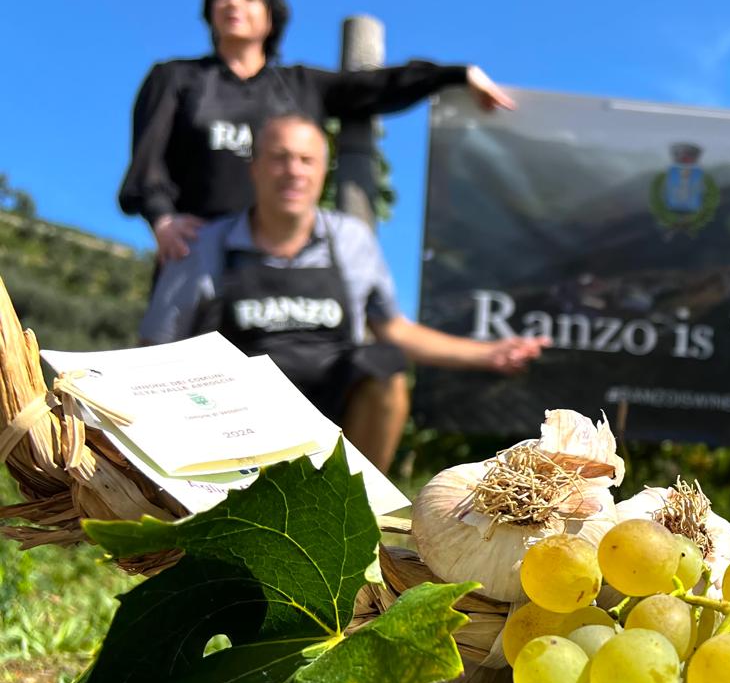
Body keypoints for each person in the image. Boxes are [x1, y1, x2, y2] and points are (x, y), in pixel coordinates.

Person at [141, 113, 547, 472]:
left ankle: (359, 508)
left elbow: (396, 331)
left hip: (332, 409)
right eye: (280, 158)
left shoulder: (352, 240)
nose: (293, 171)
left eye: (306, 160)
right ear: (256, 169)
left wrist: (490, 354)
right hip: (236, 412)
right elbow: (156, 350)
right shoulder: (201, 247)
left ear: (323, 171)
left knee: (385, 365)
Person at [119, 0, 514, 263]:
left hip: (281, 262)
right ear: (209, 11)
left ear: (271, 16)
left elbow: (378, 86)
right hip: (197, 253)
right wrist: (162, 219)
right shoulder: (175, 78)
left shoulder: (300, 86)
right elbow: (148, 160)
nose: (232, 3)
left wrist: (455, 75)